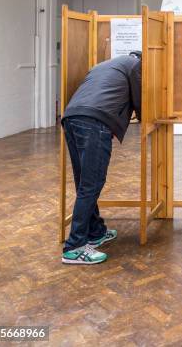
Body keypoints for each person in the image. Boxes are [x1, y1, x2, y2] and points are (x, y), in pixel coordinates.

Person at [61, 51, 142, 265]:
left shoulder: (103, 65)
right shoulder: (135, 65)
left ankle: (95, 232)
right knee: (92, 183)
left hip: (71, 117)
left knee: (85, 181)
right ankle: (75, 246)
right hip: (94, 123)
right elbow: (140, 99)